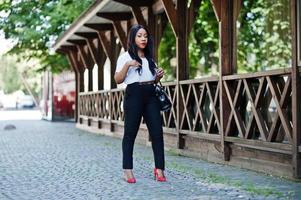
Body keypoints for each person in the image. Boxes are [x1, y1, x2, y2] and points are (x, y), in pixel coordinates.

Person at [114, 24, 166, 183]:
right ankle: (127, 170)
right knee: (130, 133)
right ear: (133, 38)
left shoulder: (150, 58)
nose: (143, 38)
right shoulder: (125, 57)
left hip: (151, 95)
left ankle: (159, 169)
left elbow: (152, 79)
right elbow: (117, 80)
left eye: (145, 36)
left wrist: (158, 77)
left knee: (157, 133)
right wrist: (128, 65)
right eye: (139, 36)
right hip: (134, 94)